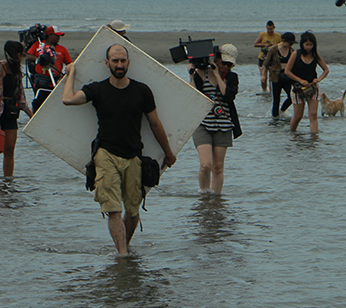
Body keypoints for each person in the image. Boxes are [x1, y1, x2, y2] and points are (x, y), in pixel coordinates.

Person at [60, 43, 177, 255]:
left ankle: (124, 248)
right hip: (105, 154)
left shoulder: (142, 91)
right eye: (115, 60)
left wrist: (168, 153)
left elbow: (155, 124)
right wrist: (72, 73)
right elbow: (68, 99)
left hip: (133, 156)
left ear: (129, 62)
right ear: (107, 63)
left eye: (123, 60)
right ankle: (122, 256)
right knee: (113, 209)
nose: (119, 64)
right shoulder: (97, 89)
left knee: (132, 211)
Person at [189, 44, 242, 195]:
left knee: (218, 167)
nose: (226, 67)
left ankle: (216, 200)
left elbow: (228, 96)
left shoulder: (232, 77)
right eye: (224, 63)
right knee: (206, 164)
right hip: (203, 123)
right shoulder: (202, 73)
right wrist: (192, 75)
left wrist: (218, 75)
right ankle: (204, 195)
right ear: (217, 58)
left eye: (230, 65)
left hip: (223, 124)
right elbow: (192, 95)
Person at [0, 40, 34, 178]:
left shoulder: (17, 72)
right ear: (17, 54)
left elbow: (20, 97)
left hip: (10, 112)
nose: (23, 58)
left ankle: (8, 181)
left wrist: (31, 115)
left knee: (9, 150)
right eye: (22, 55)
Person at [284, 31, 330, 133]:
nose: (309, 47)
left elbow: (326, 70)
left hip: (312, 88)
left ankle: (314, 137)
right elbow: (287, 71)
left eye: (311, 45)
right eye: (307, 45)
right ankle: (292, 134)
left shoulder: (315, 55)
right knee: (298, 116)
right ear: (302, 44)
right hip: (298, 88)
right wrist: (300, 80)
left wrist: (318, 79)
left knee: (313, 114)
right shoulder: (296, 54)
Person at [28, 25, 73, 113]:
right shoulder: (39, 45)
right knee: (38, 104)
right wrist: (39, 59)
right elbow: (28, 56)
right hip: (41, 82)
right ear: (49, 35)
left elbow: (69, 63)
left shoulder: (62, 49)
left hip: (56, 82)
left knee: (55, 104)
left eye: (59, 36)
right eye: (56, 36)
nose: (58, 38)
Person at [263, 31, 296, 118]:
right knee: (276, 99)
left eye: (292, 43)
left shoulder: (292, 51)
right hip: (276, 77)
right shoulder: (274, 49)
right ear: (284, 40)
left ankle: (282, 110)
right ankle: (275, 119)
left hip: (287, 77)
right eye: (290, 43)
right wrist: (263, 76)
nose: (291, 45)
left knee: (292, 97)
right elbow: (265, 64)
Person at [253, 21, 282, 92]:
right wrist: (265, 45)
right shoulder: (262, 34)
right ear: (266, 28)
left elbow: (281, 45)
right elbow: (256, 44)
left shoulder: (277, 35)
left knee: (272, 78)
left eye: (271, 29)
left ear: (274, 28)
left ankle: (272, 92)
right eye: (268, 29)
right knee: (264, 77)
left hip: (273, 58)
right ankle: (264, 91)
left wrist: (275, 46)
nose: (270, 31)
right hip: (263, 57)